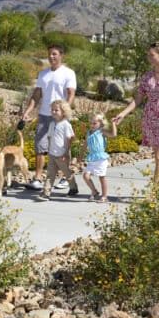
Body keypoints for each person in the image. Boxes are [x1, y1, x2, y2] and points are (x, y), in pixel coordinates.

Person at [112, 41, 159, 186]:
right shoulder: (147, 76)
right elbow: (138, 99)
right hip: (150, 117)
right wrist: (123, 113)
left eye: (152, 55)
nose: (149, 58)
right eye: (148, 55)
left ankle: (155, 191)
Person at [21, 44, 77, 190]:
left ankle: (65, 176)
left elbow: (71, 94)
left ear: (61, 55)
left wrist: (64, 111)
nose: (51, 57)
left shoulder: (68, 73)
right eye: (49, 54)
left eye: (54, 54)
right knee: (40, 146)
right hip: (44, 115)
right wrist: (28, 111)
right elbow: (37, 95)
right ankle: (38, 179)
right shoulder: (43, 74)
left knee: (62, 146)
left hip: (60, 117)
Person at [37, 100, 78, 201]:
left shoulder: (66, 124)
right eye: (52, 110)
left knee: (67, 172)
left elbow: (69, 139)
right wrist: (49, 149)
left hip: (62, 154)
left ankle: (73, 187)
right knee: (50, 174)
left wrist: (66, 152)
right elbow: (50, 137)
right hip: (52, 153)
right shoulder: (52, 124)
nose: (54, 112)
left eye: (56, 110)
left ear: (63, 111)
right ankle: (46, 193)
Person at [83, 112, 116, 203]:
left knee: (101, 177)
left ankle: (104, 196)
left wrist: (113, 123)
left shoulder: (102, 131)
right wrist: (80, 155)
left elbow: (113, 135)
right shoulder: (89, 133)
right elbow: (85, 144)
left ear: (101, 123)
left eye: (95, 123)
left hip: (101, 159)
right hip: (92, 158)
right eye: (91, 123)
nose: (92, 125)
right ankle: (94, 191)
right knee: (86, 176)